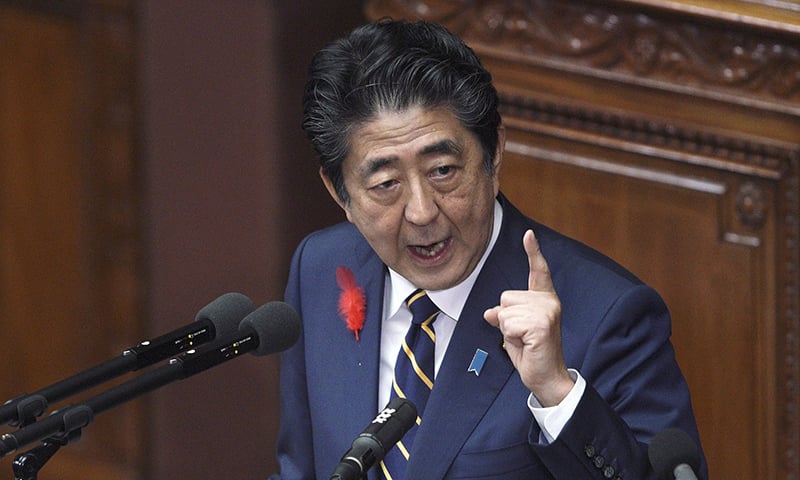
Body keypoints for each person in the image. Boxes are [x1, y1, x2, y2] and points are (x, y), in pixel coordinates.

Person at [271, 18, 707, 479]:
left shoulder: (609, 316)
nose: (421, 211)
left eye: (442, 170)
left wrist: (557, 394)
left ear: (493, 153)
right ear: (340, 193)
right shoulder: (320, 270)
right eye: (386, 183)